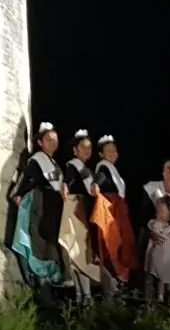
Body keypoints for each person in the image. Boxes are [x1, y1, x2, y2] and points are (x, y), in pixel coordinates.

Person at [7, 122, 66, 288]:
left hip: (51, 206)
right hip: (39, 203)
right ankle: (40, 284)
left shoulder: (54, 164)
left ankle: (50, 283)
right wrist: (19, 194)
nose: (53, 142)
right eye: (49, 139)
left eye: (55, 139)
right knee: (38, 241)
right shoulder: (37, 160)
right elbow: (28, 178)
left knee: (49, 244)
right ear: (40, 142)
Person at [88, 134, 138, 297]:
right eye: (109, 151)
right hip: (111, 210)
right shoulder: (103, 167)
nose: (112, 154)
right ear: (101, 154)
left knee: (121, 244)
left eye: (114, 151)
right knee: (111, 245)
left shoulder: (113, 169)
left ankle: (119, 286)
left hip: (118, 210)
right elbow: (99, 178)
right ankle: (112, 288)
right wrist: (95, 184)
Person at [57, 129, 102, 303]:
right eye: (83, 147)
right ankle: (82, 295)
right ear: (75, 150)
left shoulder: (89, 171)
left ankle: (83, 295)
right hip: (75, 208)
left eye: (89, 148)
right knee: (77, 250)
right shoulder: (72, 165)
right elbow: (66, 182)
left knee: (80, 252)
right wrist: (65, 188)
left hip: (84, 209)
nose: (87, 151)